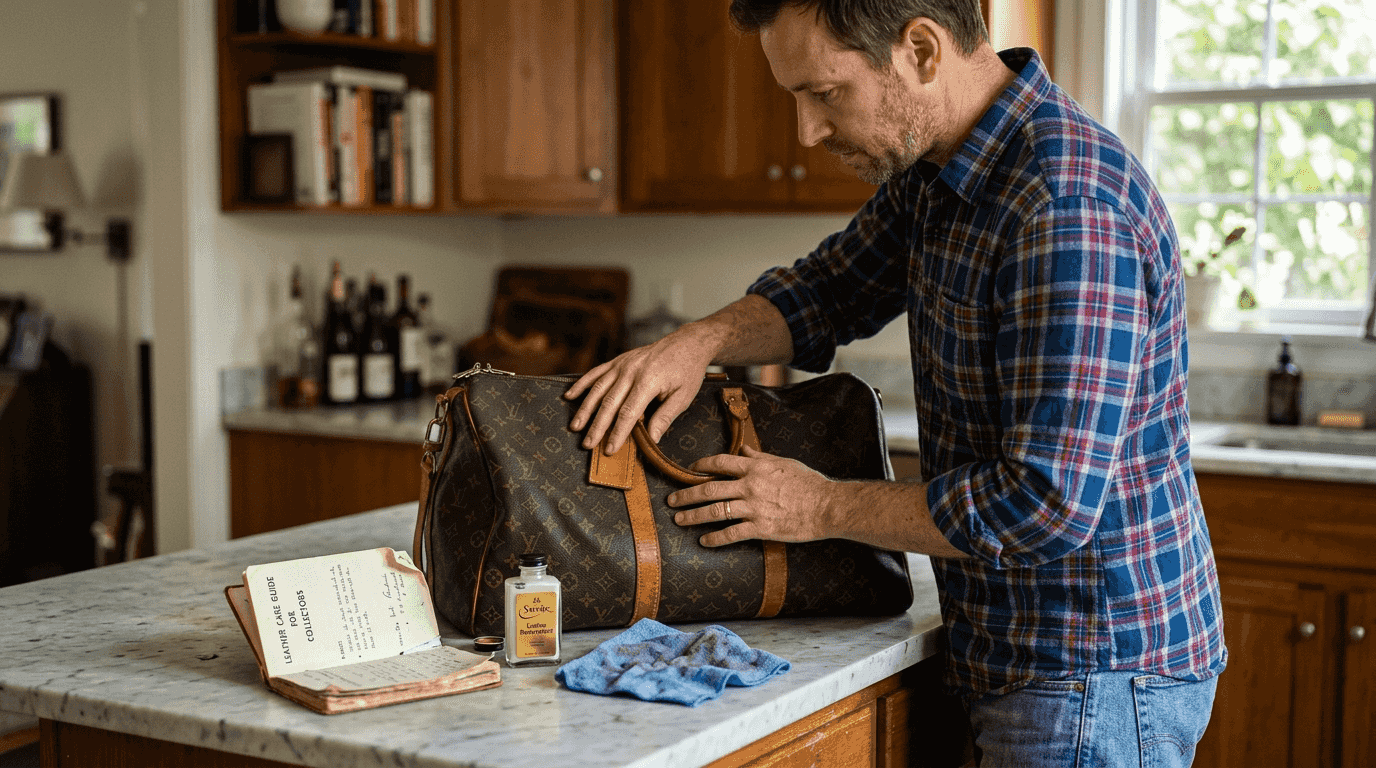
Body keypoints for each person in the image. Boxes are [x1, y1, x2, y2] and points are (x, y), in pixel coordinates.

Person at [566, 0, 1226, 764]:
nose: (809, 131)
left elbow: (1043, 504)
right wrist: (698, 341)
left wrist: (817, 505)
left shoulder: (1062, 203)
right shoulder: (942, 173)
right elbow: (828, 291)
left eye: (824, 92)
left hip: (1090, 671)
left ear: (920, 49)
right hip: (1021, 651)